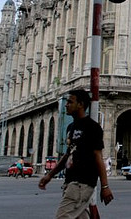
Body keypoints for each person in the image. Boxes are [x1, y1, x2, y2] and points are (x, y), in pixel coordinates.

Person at [38, 89, 114, 217]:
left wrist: (105, 187)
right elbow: (68, 155)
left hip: (81, 183)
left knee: (62, 216)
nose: (66, 104)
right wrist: (49, 175)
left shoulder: (92, 127)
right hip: (70, 182)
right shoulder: (71, 127)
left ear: (81, 104)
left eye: (70, 102)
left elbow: (98, 157)